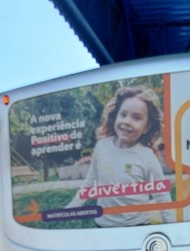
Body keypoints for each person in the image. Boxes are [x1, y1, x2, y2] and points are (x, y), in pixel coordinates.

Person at [67, 85, 175, 227]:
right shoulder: (101, 147)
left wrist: (174, 229)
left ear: (147, 127)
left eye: (137, 118)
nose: (127, 122)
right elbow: (90, 182)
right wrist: (72, 208)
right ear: (115, 116)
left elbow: (162, 198)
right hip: (103, 226)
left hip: (137, 226)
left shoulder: (147, 157)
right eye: (123, 114)